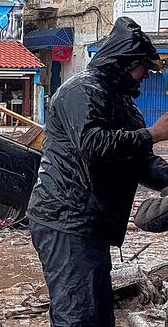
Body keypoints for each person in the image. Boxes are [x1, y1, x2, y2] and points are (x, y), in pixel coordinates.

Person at [27, 17, 168, 327]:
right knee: (77, 317)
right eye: (144, 67)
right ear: (125, 63)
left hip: (91, 224)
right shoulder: (81, 90)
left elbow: (141, 162)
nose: (146, 75)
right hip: (65, 219)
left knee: (99, 316)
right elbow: (92, 145)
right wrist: (153, 134)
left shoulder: (124, 105)